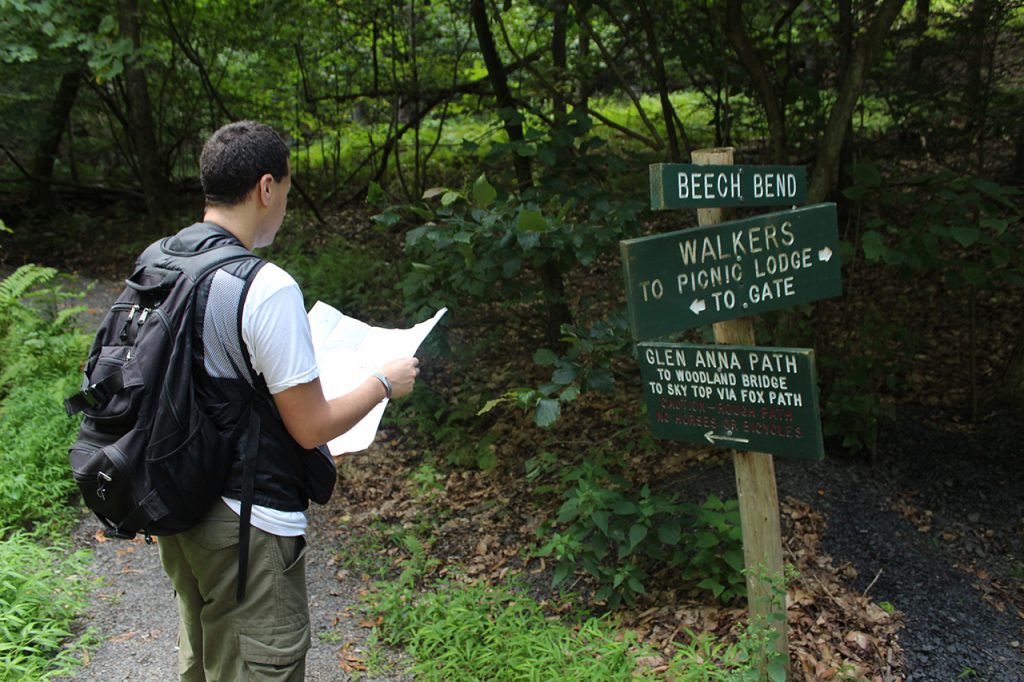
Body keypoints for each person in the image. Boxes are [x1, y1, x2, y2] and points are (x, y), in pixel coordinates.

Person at [155, 120, 419, 681]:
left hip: (178, 502)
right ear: (267, 187)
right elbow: (311, 428)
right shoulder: (264, 286)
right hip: (245, 522)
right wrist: (383, 382)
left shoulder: (165, 260)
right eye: (287, 194)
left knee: (202, 665)